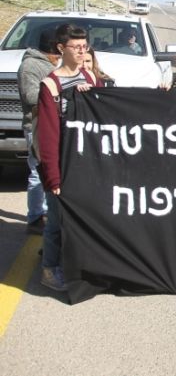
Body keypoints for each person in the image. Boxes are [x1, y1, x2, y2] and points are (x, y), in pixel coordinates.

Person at [37, 24, 102, 291]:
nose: (81, 51)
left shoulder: (90, 77)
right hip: (62, 164)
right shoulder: (50, 85)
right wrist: (53, 177)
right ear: (61, 48)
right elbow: (48, 136)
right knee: (56, 220)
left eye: (84, 47)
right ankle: (49, 269)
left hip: (86, 163)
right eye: (76, 47)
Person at [17, 29, 59, 234]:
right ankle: (35, 217)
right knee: (37, 172)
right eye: (58, 53)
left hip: (49, 124)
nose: (59, 58)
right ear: (51, 50)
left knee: (49, 170)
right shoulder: (30, 66)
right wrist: (56, 92)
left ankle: (46, 213)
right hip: (35, 124)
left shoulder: (48, 65)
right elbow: (30, 95)